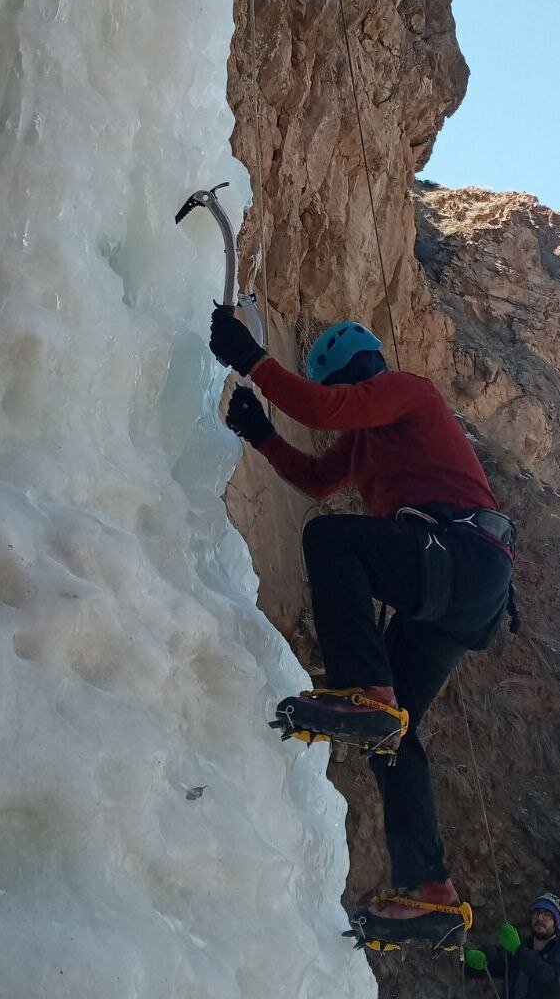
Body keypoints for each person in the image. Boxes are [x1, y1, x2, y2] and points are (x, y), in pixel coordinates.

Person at [209, 308, 516, 948]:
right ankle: (430, 890)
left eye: (361, 377)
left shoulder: (409, 391)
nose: (367, 381)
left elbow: (325, 409)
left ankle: (365, 691)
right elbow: (321, 479)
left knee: (332, 543)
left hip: (458, 557)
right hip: (463, 582)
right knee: (393, 737)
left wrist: (254, 361)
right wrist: (263, 435)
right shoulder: (370, 438)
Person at [465, 893, 560, 997]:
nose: (540, 918)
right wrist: (479, 958)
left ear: (556, 924)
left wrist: (518, 951)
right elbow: (498, 958)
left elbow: (555, 980)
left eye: (547, 915)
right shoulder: (522, 948)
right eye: (536, 913)